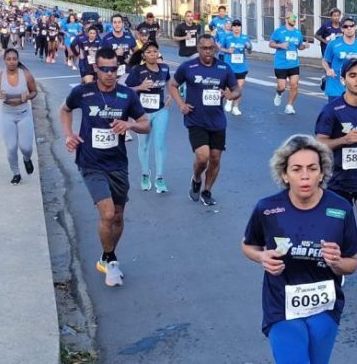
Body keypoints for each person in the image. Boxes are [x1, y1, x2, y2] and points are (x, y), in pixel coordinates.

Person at [242, 134, 357, 364]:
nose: (305, 176)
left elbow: (352, 263)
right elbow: (248, 246)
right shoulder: (267, 209)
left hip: (324, 309)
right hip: (281, 307)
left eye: (312, 168)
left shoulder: (340, 208)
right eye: (296, 169)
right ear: (285, 175)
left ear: (322, 173)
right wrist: (261, 256)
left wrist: (337, 262)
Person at [60, 47, 150, 287]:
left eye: (114, 69)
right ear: (96, 68)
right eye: (105, 69)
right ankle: (111, 261)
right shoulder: (83, 92)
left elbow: (145, 124)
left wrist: (129, 125)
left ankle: (106, 255)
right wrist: (68, 134)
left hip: (117, 163)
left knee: (118, 217)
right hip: (91, 163)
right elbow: (65, 109)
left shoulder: (126, 95)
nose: (110, 74)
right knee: (108, 213)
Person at [315, 59, 357, 304]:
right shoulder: (332, 110)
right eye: (353, 75)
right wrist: (343, 141)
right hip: (339, 179)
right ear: (343, 80)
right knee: (337, 229)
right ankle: (337, 268)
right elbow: (320, 142)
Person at [167, 35, 240, 207]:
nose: (207, 51)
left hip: (217, 121)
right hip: (195, 119)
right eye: (204, 48)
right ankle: (196, 178)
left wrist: (231, 95)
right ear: (198, 48)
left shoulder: (224, 68)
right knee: (202, 157)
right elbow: (172, 85)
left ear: (215, 49)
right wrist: (181, 104)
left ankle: (207, 191)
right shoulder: (188, 67)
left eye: (210, 48)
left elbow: (237, 89)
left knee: (215, 159)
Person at [125, 42, 172, 193]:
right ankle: (145, 174)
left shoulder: (164, 68)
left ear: (158, 53)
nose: (152, 54)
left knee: (160, 144)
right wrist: (140, 87)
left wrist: (170, 94)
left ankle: (160, 177)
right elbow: (126, 89)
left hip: (160, 110)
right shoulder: (137, 70)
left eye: (155, 51)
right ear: (143, 55)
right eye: (149, 52)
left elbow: (169, 81)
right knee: (144, 145)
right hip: (142, 114)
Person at [0, 48, 37, 185]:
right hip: (7, 115)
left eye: (14, 59)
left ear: (18, 60)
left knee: (26, 147)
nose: (11, 62)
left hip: (24, 114)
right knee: (11, 147)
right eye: (8, 59)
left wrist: (28, 96)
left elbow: (34, 92)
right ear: (4, 61)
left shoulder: (26, 75)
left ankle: (27, 159)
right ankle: (16, 173)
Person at [321, 16, 357, 102]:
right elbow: (325, 61)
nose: (349, 28)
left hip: (353, 87)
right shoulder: (333, 44)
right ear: (342, 29)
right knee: (336, 110)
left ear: (355, 27)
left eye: (351, 26)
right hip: (335, 86)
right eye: (345, 26)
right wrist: (328, 70)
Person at [270, 12, 310, 114]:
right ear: (286, 19)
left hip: (293, 63)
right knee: (282, 87)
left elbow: (299, 47)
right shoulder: (279, 31)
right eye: (292, 18)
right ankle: (279, 93)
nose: (294, 19)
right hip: (281, 64)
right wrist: (280, 45)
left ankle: (289, 105)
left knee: (294, 85)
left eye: (295, 18)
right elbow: (271, 43)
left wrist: (305, 46)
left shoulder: (298, 33)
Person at [219, 19, 252, 116]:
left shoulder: (245, 38)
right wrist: (227, 50)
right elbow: (220, 48)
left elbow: (250, 51)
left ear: (241, 27)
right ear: (232, 28)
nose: (237, 28)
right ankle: (229, 101)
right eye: (235, 26)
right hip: (230, 66)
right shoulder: (227, 37)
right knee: (229, 87)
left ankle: (236, 107)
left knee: (239, 88)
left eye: (238, 26)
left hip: (241, 67)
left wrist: (249, 47)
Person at [315, 8, 343, 91]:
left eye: (338, 15)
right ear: (331, 17)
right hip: (327, 50)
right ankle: (329, 83)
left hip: (338, 52)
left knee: (337, 69)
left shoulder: (342, 26)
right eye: (334, 16)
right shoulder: (326, 26)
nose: (336, 17)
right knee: (329, 68)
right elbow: (316, 35)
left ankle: (328, 81)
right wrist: (325, 42)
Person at [101, 14, 136, 81]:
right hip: (111, 72)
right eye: (115, 22)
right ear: (112, 24)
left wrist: (132, 59)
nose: (117, 25)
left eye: (119, 22)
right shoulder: (106, 39)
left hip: (127, 72)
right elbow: (100, 57)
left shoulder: (130, 37)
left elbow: (137, 53)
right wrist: (114, 54)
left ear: (122, 24)